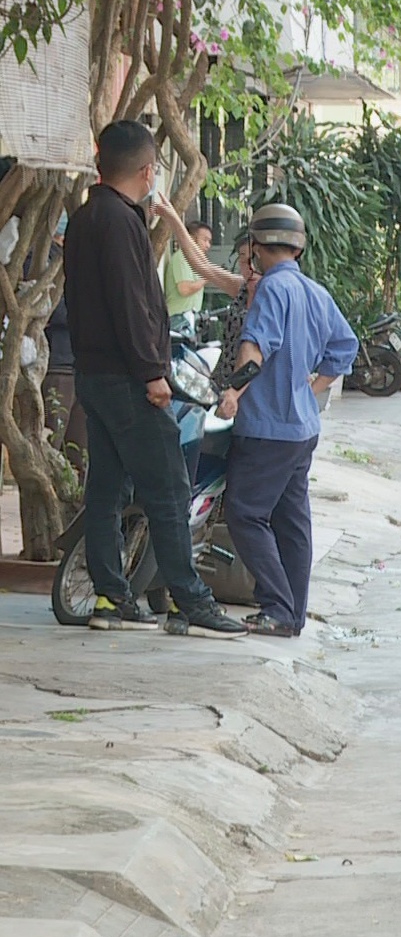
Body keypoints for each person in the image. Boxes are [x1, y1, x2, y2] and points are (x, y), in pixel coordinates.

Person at [63, 119, 245, 637]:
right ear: (147, 171)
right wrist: (151, 373)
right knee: (168, 489)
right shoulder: (121, 222)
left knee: (107, 490)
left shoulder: (83, 217)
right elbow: (130, 306)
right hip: (128, 379)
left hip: (93, 377)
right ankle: (191, 601)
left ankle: (110, 597)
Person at [216, 204, 358, 637]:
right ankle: (292, 614)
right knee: (292, 522)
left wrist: (233, 391)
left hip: (267, 428)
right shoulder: (315, 292)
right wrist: (311, 389)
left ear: (256, 246)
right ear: (299, 247)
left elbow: (255, 350)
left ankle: (277, 607)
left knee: (244, 513)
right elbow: (345, 347)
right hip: (302, 429)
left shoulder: (271, 290)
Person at [153, 201, 259, 390]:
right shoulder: (241, 287)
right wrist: (173, 218)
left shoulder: (275, 292)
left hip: (253, 387)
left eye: (255, 259)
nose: (249, 266)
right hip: (227, 381)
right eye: (243, 259)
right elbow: (202, 266)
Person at [42, 214, 86, 478]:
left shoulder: (75, 258)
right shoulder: (41, 259)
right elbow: (52, 311)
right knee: (52, 443)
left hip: (81, 365)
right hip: (57, 364)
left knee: (79, 451)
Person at [162, 219, 213, 336]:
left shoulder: (195, 261)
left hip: (189, 319)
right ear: (191, 238)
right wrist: (206, 278)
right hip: (178, 319)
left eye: (209, 241)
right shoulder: (182, 257)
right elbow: (184, 289)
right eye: (205, 240)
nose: (208, 245)